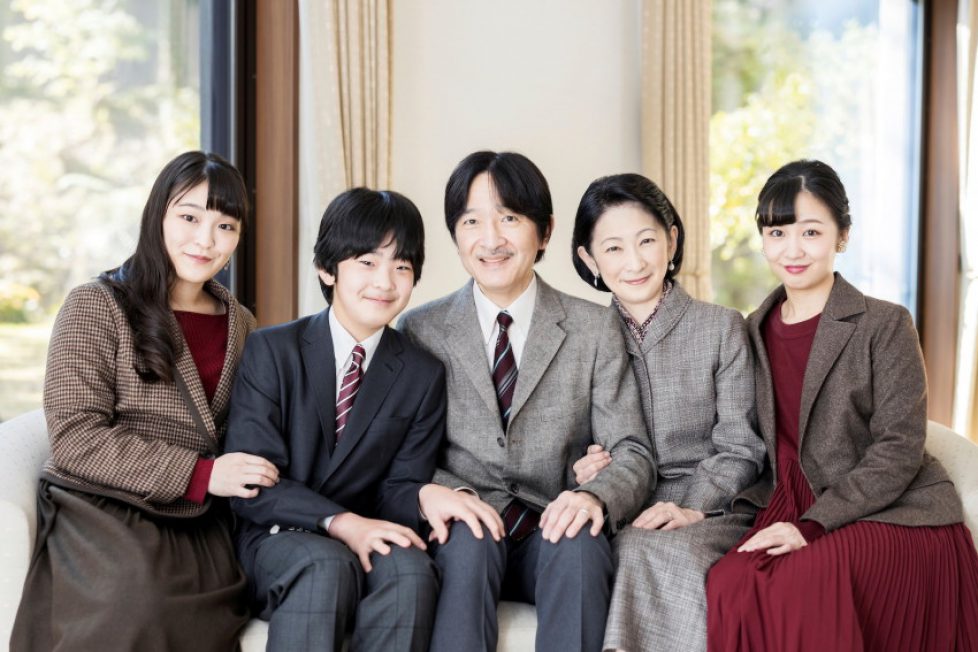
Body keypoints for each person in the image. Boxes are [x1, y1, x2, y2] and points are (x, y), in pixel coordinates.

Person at [706, 159, 978, 651]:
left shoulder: (885, 324)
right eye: (778, 232)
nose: (792, 249)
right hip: (787, 501)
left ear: (842, 236)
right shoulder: (749, 330)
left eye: (811, 232)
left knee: (801, 583)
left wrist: (812, 525)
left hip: (889, 511)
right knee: (729, 583)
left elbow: (899, 447)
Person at [11, 151, 278, 651]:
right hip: (107, 507)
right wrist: (200, 474)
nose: (205, 240)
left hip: (202, 519)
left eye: (225, 225)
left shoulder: (241, 321)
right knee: (135, 599)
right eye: (189, 217)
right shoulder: (96, 304)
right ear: (158, 215)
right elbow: (75, 438)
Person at [399, 151, 655, 652]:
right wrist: (451, 496)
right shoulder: (420, 329)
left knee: (579, 540)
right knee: (466, 537)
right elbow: (403, 456)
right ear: (455, 234)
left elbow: (632, 449)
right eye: (472, 221)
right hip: (468, 530)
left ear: (545, 231)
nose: (490, 239)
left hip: (552, 526)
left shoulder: (594, 326)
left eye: (509, 218)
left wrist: (592, 495)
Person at [224, 188, 444, 652]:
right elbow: (254, 483)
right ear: (328, 268)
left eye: (401, 266)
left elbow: (401, 484)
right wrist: (341, 522)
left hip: (369, 526)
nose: (384, 282)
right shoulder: (272, 351)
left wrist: (425, 498)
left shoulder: (422, 373)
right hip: (275, 536)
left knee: (411, 569)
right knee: (323, 563)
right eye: (367, 262)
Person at [570, 173, 765, 652]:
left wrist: (692, 506)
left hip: (710, 509)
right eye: (613, 249)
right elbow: (557, 442)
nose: (634, 262)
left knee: (646, 550)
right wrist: (580, 471)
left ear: (672, 239)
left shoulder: (722, 328)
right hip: (617, 508)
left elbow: (741, 445)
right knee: (619, 547)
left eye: (647, 241)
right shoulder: (578, 336)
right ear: (588, 259)